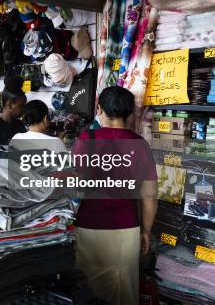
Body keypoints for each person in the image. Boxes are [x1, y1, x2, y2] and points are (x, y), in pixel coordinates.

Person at [72, 86, 157, 305]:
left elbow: (75, 185)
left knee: (89, 291)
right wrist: (146, 231)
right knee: (124, 291)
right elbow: (149, 196)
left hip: (89, 225)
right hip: (126, 227)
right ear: (131, 113)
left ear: (99, 109)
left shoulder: (86, 139)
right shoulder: (140, 146)